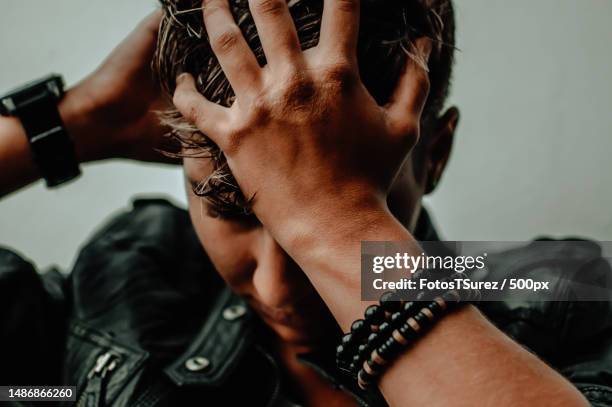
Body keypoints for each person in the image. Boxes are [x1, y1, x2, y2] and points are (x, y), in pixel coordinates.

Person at [0, 1, 611, 406]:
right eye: (234, 211)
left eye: (360, 198)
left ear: (436, 154)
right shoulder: (133, 274)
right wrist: (69, 125)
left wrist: (331, 217)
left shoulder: (568, 287)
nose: (275, 289)